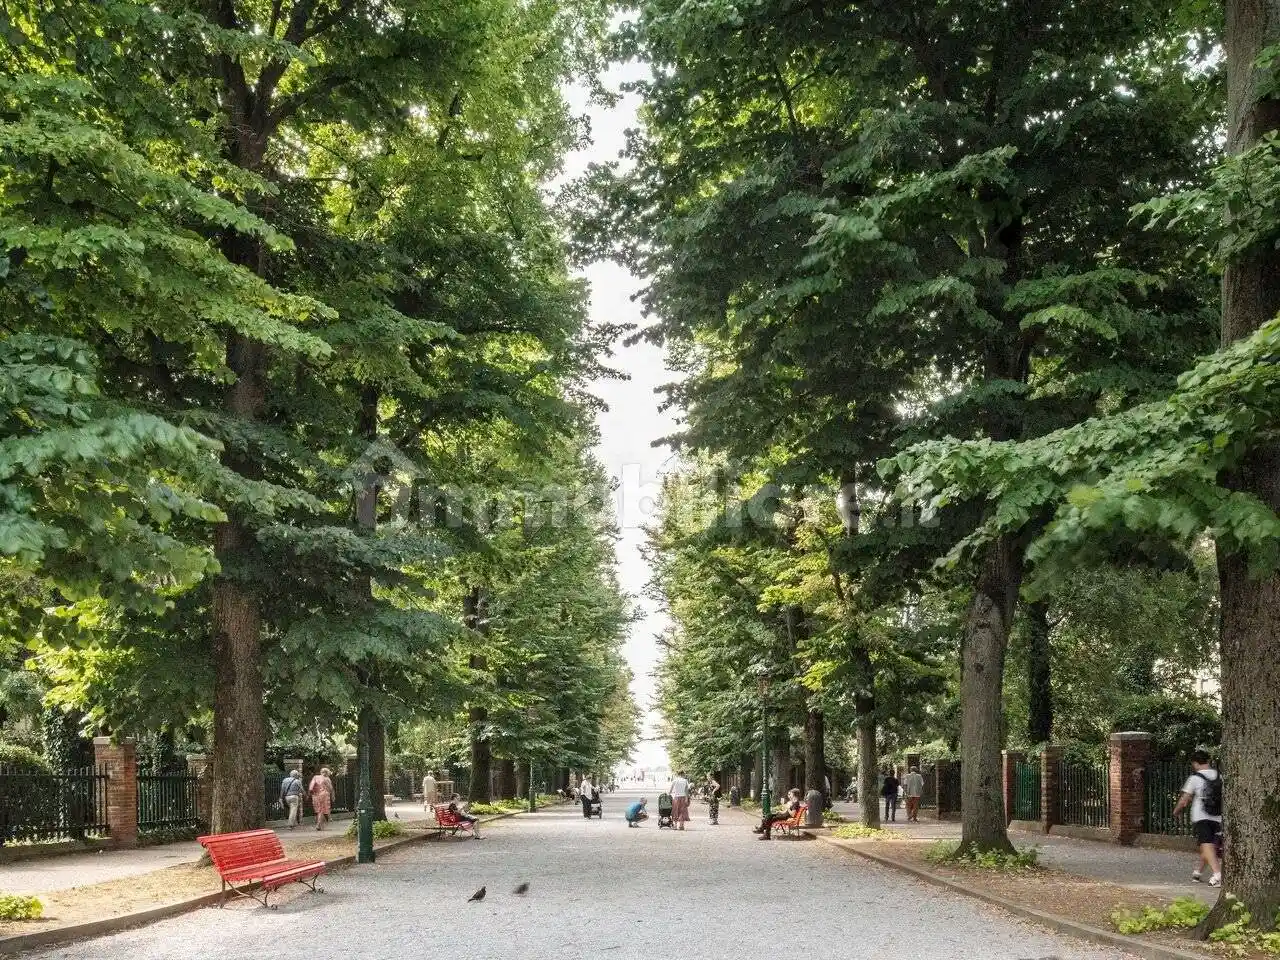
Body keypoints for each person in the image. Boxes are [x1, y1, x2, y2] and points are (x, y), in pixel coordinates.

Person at [1172, 750, 1222, 886]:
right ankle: (1198, 872)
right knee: (1209, 846)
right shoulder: (1219, 776)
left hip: (1201, 816)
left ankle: (1217, 874)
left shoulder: (1194, 778)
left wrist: (1176, 811)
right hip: (1218, 816)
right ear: (1208, 761)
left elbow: (1185, 800)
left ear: (1195, 763)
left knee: (1206, 844)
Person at [308, 767, 334, 831]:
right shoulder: (327, 779)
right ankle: (318, 825)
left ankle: (320, 824)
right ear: (327, 773)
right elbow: (330, 788)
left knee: (318, 810)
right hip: (324, 795)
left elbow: (311, 788)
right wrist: (333, 795)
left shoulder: (315, 777)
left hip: (315, 796)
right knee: (322, 810)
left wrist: (312, 793)